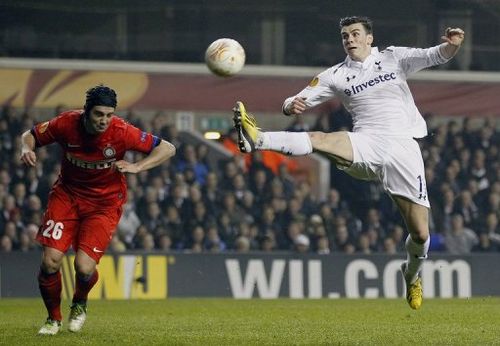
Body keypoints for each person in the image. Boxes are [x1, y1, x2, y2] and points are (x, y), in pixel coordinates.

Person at [233, 16, 464, 310]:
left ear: (369, 38)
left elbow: (435, 54)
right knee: (321, 137)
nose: (350, 39)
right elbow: (296, 99)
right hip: (366, 142)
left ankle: (412, 273)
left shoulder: (393, 57)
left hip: (403, 148)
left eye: (355, 34)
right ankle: (257, 139)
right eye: (345, 36)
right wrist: (291, 105)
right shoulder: (335, 75)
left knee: (420, 233)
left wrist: (453, 46)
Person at [20, 85, 176, 335]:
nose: (104, 120)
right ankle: (53, 319)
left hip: (103, 205)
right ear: (86, 112)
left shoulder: (123, 132)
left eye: (109, 114)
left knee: (83, 267)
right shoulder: (65, 124)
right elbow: (30, 135)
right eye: (99, 114)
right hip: (67, 197)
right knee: (50, 261)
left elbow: (167, 148)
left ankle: (79, 303)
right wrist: (26, 148)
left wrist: (138, 166)